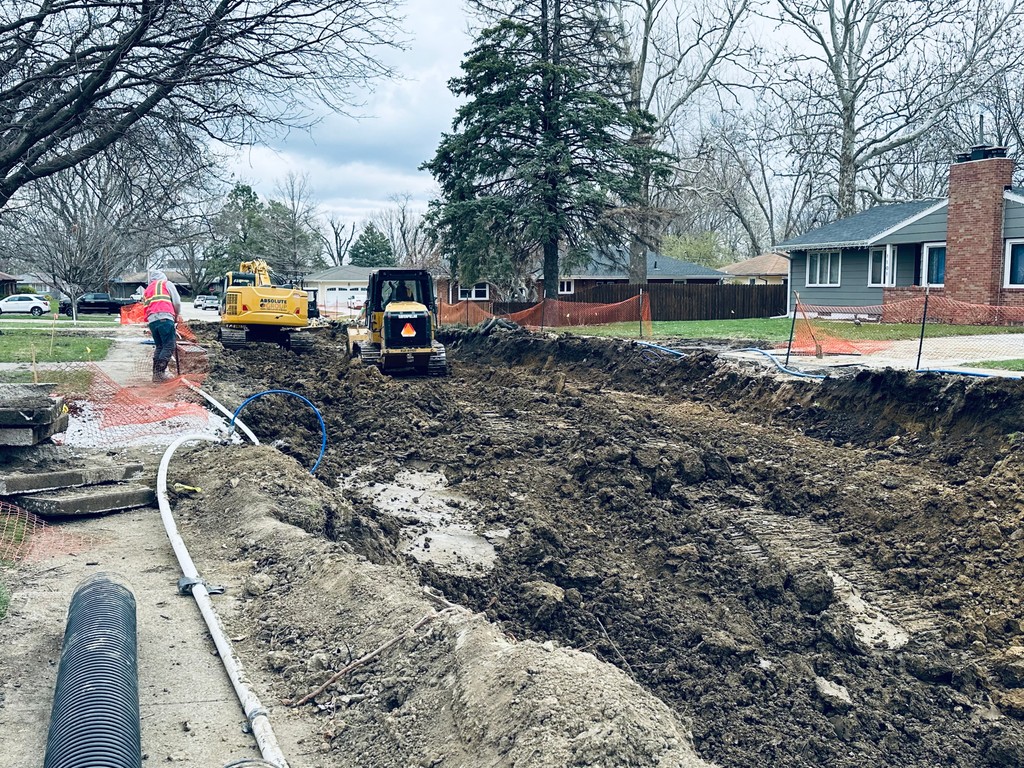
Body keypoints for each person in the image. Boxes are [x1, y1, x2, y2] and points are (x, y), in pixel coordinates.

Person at [143, 269, 181, 382]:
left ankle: (156, 375)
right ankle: (160, 373)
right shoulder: (166, 284)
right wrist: (176, 315)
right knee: (169, 345)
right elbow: (177, 302)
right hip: (165, 317)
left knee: (160, 346)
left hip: (152, 321)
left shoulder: (148, 289)